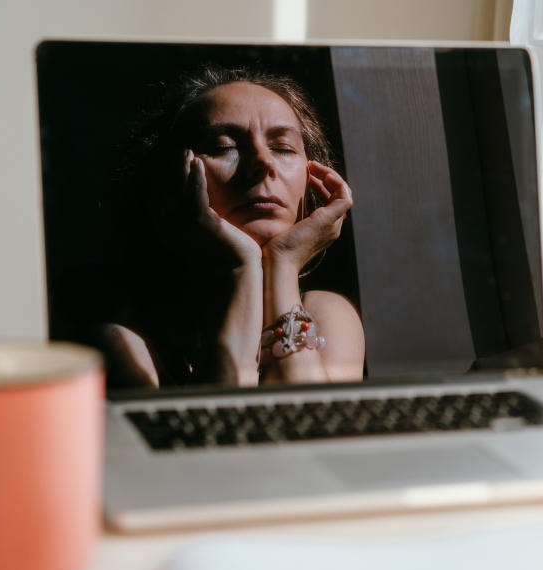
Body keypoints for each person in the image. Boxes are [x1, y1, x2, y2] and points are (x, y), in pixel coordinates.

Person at [99, 66, 365, 389]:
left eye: (282, 148)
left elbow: (318, 430)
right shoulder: (127, 343)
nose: (263, 163)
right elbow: (222, 428)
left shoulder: (328, 315)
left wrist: (282, 265)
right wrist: (242, 267)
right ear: (170, 181)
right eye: (225, 147)